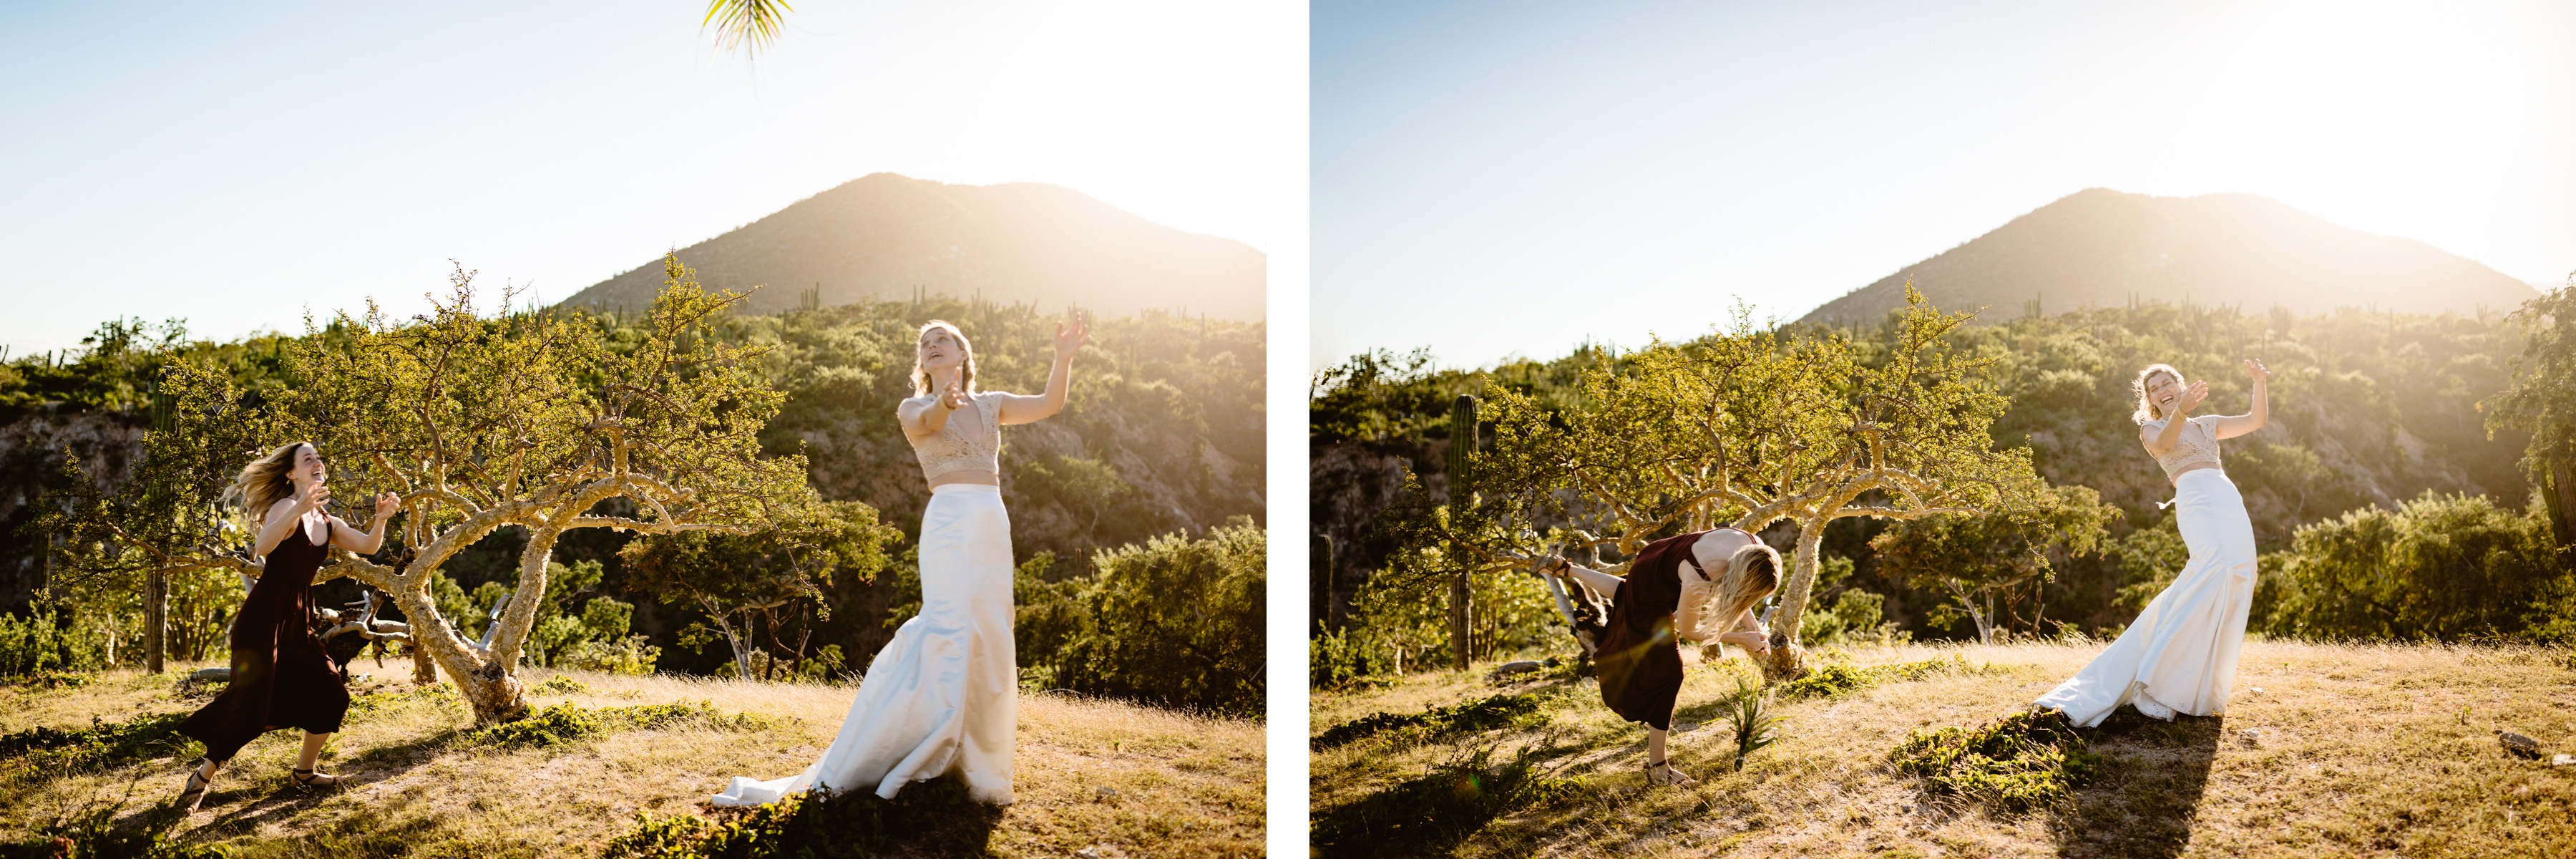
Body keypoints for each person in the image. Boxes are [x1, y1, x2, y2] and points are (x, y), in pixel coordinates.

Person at [712, 311, 1089, 807]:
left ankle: (973, 759)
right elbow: (931, 421)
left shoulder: (993, 404)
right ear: (924, 361)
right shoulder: (913, 407)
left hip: (991, 523)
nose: (933, 344)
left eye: (943, 339)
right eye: (926, 342)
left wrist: (1062, 359)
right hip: (950, 522)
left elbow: (1049, 404)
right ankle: (915, 743)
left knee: (991, 628)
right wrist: (944, 402)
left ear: (962, 354)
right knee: (948, 625)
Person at [2034, 359, 2270, 727]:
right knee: (2211, 571)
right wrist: (2182, 412)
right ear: (2151, 400)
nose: (2162, 390)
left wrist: (2259, 382)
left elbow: (2255, 421)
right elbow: (2165, 445)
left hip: (2226, 497)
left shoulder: (2207, 425)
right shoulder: (2151, 428)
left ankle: (2199, 683)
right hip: (2197, 501)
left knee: (2240, 573)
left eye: (2167, 383)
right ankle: (2158, 676)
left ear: (2180, 384)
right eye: (2154, 388)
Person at [177, 442, 399, 812]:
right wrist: (298, 507)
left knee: (333, 692)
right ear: (292, 474)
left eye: (318, 457)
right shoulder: (286, 508)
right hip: (263, 619)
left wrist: (381, 518)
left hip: (298, 620)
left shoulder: (327, 522)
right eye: (307, 458)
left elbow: (367, 546)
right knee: (251, 705)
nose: (317, 461)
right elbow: (263, 547)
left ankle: (304, 773)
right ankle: (201, 777)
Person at [1541, 527, 1782, 787]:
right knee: (1670, 673)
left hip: (1659, 554)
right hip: (1662, 571)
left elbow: (1739, 594)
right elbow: (1690, 631)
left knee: (1630, 594)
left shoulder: (1752, 547)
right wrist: (1742, 638)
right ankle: (1658, 768)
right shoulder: (1699, 576)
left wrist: (1755, 630)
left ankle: (1566, 568)